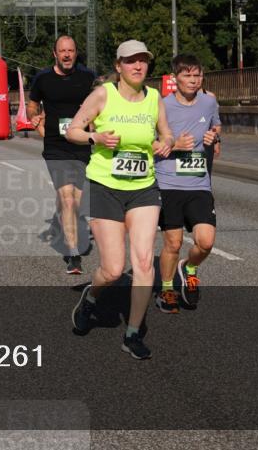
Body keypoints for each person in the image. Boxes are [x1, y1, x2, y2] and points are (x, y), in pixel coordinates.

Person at [65, 40, 189, 360]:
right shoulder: (103, 94)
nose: (138, 66)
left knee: (144, 262)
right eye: (131, 61)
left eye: (143, 60)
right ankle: (91, 297)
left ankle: (132, 333)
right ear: (118, 66)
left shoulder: (154, 98)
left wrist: (166, 142)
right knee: (113, 269)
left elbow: (166, 132)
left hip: (143, 187)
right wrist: (95, 137)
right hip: (104, 186)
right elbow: (73, 130)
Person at [154, 55, 222, 314]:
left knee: (206, 242)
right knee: (173, 243)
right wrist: (173, 145)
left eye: (198, 75)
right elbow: (147, 143)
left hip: (199, 183)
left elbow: (216, 126)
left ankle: (189, 267)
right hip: (168, 183)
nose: (194, 81)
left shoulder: (209, 102)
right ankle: (167, 290)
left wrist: (214, 137)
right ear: (175, 78)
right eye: (187, 76)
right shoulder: (162, 106)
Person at [27, 35, 97, 275]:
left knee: (75, 201)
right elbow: (32, 104)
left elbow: (101, 102)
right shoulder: (43, 78)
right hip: (55, 145)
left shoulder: (88, 77)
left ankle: (64, 222)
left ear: (76, 53)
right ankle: (73, 253)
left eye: (71, 50)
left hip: (81, 144)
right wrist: (35, 118)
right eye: (62, 51)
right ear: (54, 54)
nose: (67, 55)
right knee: (67, 198)